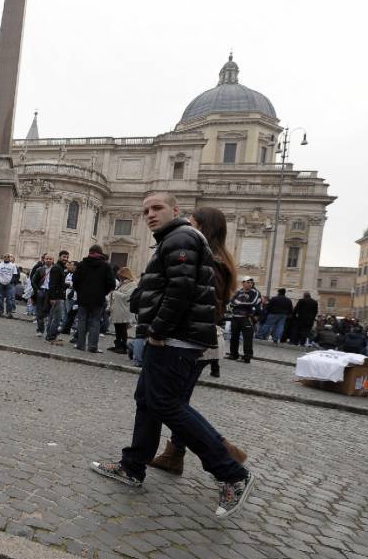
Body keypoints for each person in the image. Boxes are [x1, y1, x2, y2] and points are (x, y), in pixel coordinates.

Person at [91, 192, 253, 518]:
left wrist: (159, 330)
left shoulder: (180, 238)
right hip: (174, 338)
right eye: (146, 210)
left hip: (174, 340)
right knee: (148, 401)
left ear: (176, 211)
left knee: (166, 404)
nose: (150, 214)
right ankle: (133, 466)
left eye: (157, 208)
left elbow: (181, 290)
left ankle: (230, 472)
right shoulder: (174, 239)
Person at [148, 205, 247, 475]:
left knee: (171, 404)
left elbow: (201, 302)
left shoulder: (210, 261)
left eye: (192, 223)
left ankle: (222, 450)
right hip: (203, 337)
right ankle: (174, 454)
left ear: (203, 227)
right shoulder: (219, 258)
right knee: (178, 400)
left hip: (194, 337)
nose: (187, 227)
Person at [71, 245, 116, 353]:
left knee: (82, 321)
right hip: (98, 299)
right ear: (100, 253)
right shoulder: (106, 266)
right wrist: (103, 292)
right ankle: (92, 346)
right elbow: (112, 283)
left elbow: (75, 281)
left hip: (83, 298)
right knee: (95, 322)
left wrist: (80, 292)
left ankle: (80, 345)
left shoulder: (81, 265)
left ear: (89, 252)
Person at [40, 251, 70, 345]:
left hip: (58, 295)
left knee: (53, 317)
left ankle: (49, 335)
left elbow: (59, 283)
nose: (65, 259)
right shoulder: (57, 268)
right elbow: (52, 284)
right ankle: (51, 337)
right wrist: (52, 297)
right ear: (59, 257)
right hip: (57, 296)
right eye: (64, 257)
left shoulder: (60, 267)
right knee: (57, 318)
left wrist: (66, 285)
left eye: (67, 257)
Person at [227, 278, 261, 362]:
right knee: (234, 337)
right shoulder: (238, 292)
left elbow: (252, 303)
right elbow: (231, 302)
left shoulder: (255, 292)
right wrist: (237, 304)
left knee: (247, 338)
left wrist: (238, 303)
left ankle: (247, 357)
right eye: (247, 282)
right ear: (243, 283)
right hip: (235, 317)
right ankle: (233, 354)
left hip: (247, 318)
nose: (250, 284)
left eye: (251, 282)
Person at [108, 267, 137, 354]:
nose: (120, 278)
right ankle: (117, 345)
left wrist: (114, 292)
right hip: (117, 309)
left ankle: (123, 347)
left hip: (125, 310)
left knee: (123, 329)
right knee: (117, 328)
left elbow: (128, 296)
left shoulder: (132, 284)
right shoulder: (122, 283)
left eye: (121, 276)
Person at [0, 253, 18, 318]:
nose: (6, 258)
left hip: (9, 284)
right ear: (3, 257)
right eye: (5, 257)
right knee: (0, 298)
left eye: (8, 257)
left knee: (9, 299)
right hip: (1, 283)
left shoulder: (13, 265)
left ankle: (9, 312)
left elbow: (15, 275)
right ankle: (0, 311)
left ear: (9, 258)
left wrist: (11, 282)